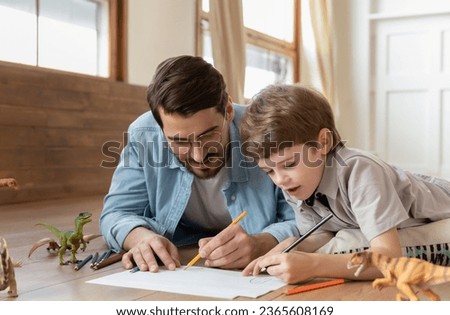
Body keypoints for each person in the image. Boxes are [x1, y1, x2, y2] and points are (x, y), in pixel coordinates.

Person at [100, 56, 298, 273]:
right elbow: (116, 213)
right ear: (160, 127)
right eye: (179, 141)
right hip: (184, 242)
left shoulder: (265, 132)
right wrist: (140, 237)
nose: (198, 155)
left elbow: (303, 218)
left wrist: (262, 243)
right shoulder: (144, 135)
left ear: (229, 111)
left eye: (208, 135)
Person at [239, 84, 450, 284]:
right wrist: (287, 245)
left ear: (323, 143)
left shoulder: (360, 172)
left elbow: (390, 259)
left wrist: (314, 265)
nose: (279, 179)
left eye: (290, 163)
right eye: (269, 171)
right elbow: (323, 233)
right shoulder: (295, 184)